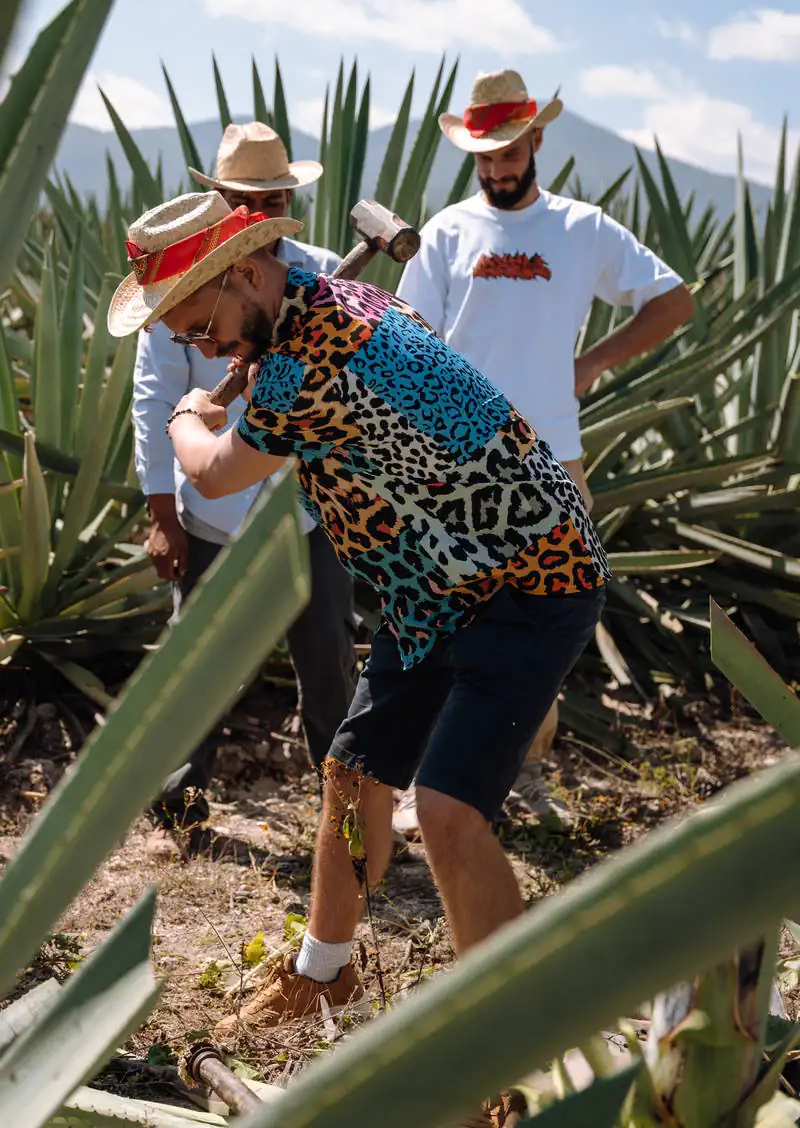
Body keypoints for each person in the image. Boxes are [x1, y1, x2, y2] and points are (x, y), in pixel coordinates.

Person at [109, 190, 611, 1126]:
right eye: (188, 339)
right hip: (432, 584)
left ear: (250, 273)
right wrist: (240, 358)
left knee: (449, 809)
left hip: (527, 572)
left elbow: (215, 471)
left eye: (203, 326)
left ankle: (512, 1053)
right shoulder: (306, 305)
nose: (207, 350)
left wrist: (187, 416)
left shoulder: (310, 356)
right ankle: (323, 976)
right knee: (351, 771)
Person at [396, 69, 694, 822]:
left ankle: (520, 775)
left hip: (551, 457)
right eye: (484, 158)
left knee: (543, 626)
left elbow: (674, 300)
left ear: (536, 141)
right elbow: (403, 336)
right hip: (453, 460)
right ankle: (427, 780)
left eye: (509, 152)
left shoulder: (581, 229)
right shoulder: (445, 233)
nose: (498, 169)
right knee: (441, 615)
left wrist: (593, 362)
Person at [132, 124, 356, 857]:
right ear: (218, 201)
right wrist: (163, 514)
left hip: (309, 512)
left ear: (290, 199)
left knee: (327, 662)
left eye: (272, 198)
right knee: (195, 665)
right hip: (213, 516)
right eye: (243, 199)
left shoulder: (322, 278)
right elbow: (154, 397)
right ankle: (181, 809)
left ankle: (349, 816)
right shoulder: (184, 283)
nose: (258, 211)